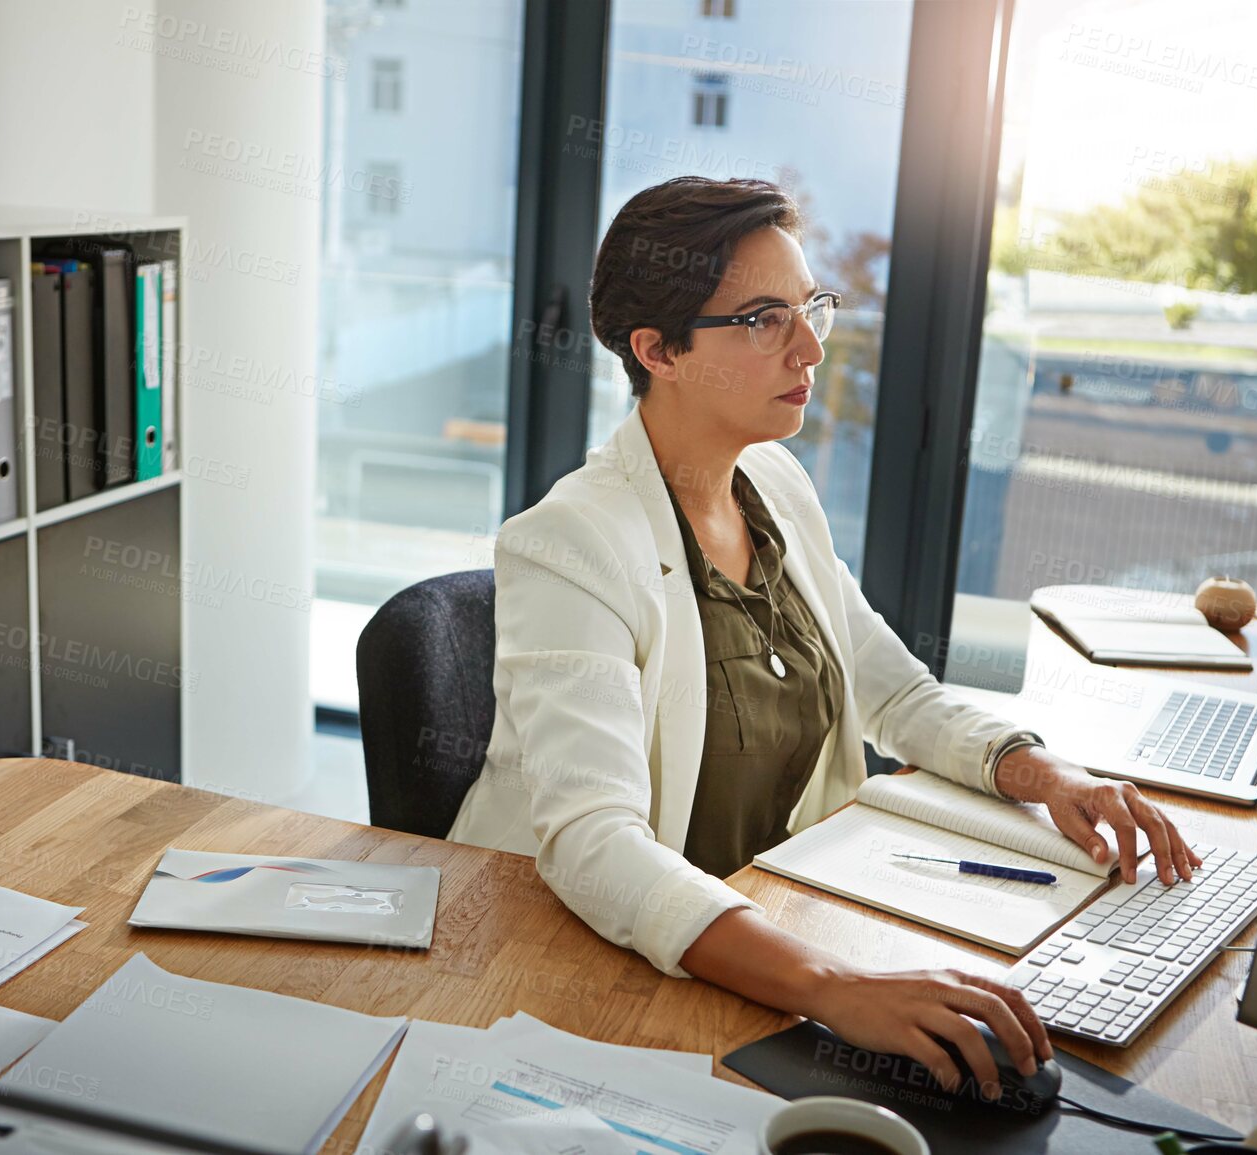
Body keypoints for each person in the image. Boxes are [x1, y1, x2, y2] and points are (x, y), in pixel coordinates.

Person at [447, 176, 1200, 1098]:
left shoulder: (776, 483)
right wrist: (835, 986)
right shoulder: (571, 544)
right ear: (658, 350)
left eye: (811, 309)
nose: (810, 346)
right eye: (764, 319)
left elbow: (894, 693)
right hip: (579, 964)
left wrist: (1046, 776)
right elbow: (594, 842)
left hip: (765, 927)